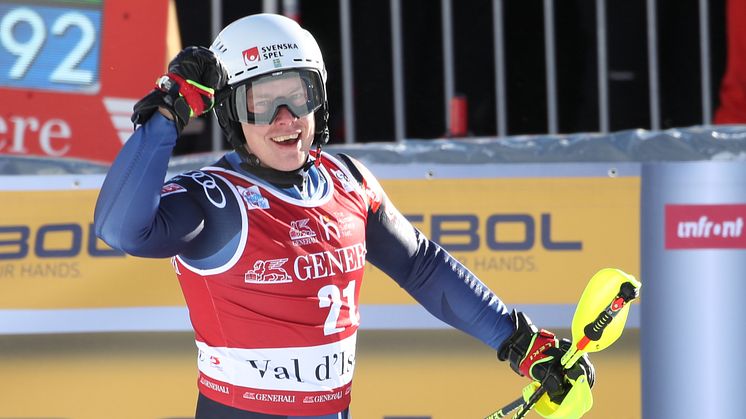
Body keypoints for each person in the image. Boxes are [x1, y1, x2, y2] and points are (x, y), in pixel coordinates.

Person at [94, 13, 594, 419]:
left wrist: (517, 339)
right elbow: (119, 230)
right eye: (262, 103)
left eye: (298, 96)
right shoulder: (213, 198)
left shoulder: (347, 181)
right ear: (231, 115)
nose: (285, 119)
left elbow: (420, 265)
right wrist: (166, 115)